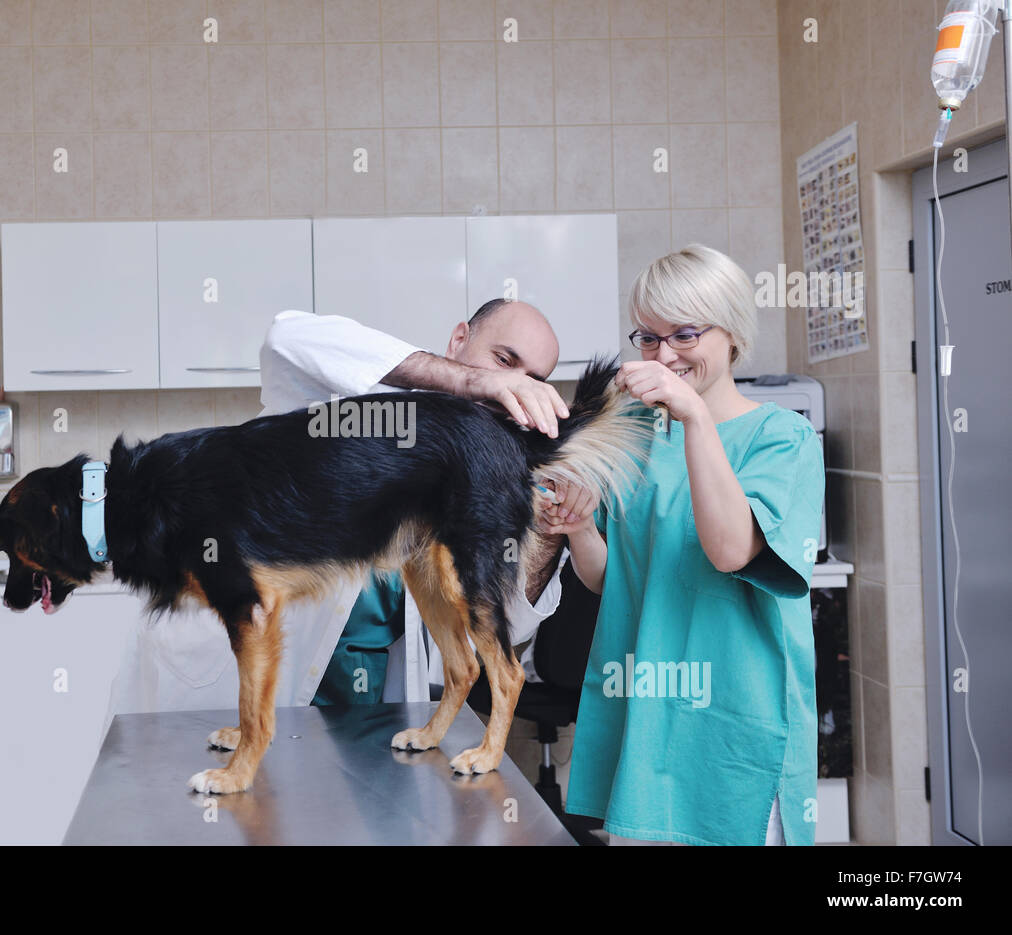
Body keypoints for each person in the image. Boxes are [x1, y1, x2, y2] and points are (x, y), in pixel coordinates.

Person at [549, 244, 824, 846]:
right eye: (648, 339)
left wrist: (696, 418)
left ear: (732, 335)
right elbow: (610, 580)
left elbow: (731, 551)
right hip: (644, 717)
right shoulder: (638, 436)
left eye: (685, 334)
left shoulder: (784, 438)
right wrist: (578, 525)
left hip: (734, 722)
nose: (664, 354)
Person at [258, 300, 577, 707]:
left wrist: (550, 534)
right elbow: (285, 336)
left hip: (373, 711)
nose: (512, 389)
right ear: (459, 340)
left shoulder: (490, 479)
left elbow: (500, 628)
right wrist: (471, 383)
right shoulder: (354, 398)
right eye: (503, 360)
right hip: (266, 684)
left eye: (531, 379)